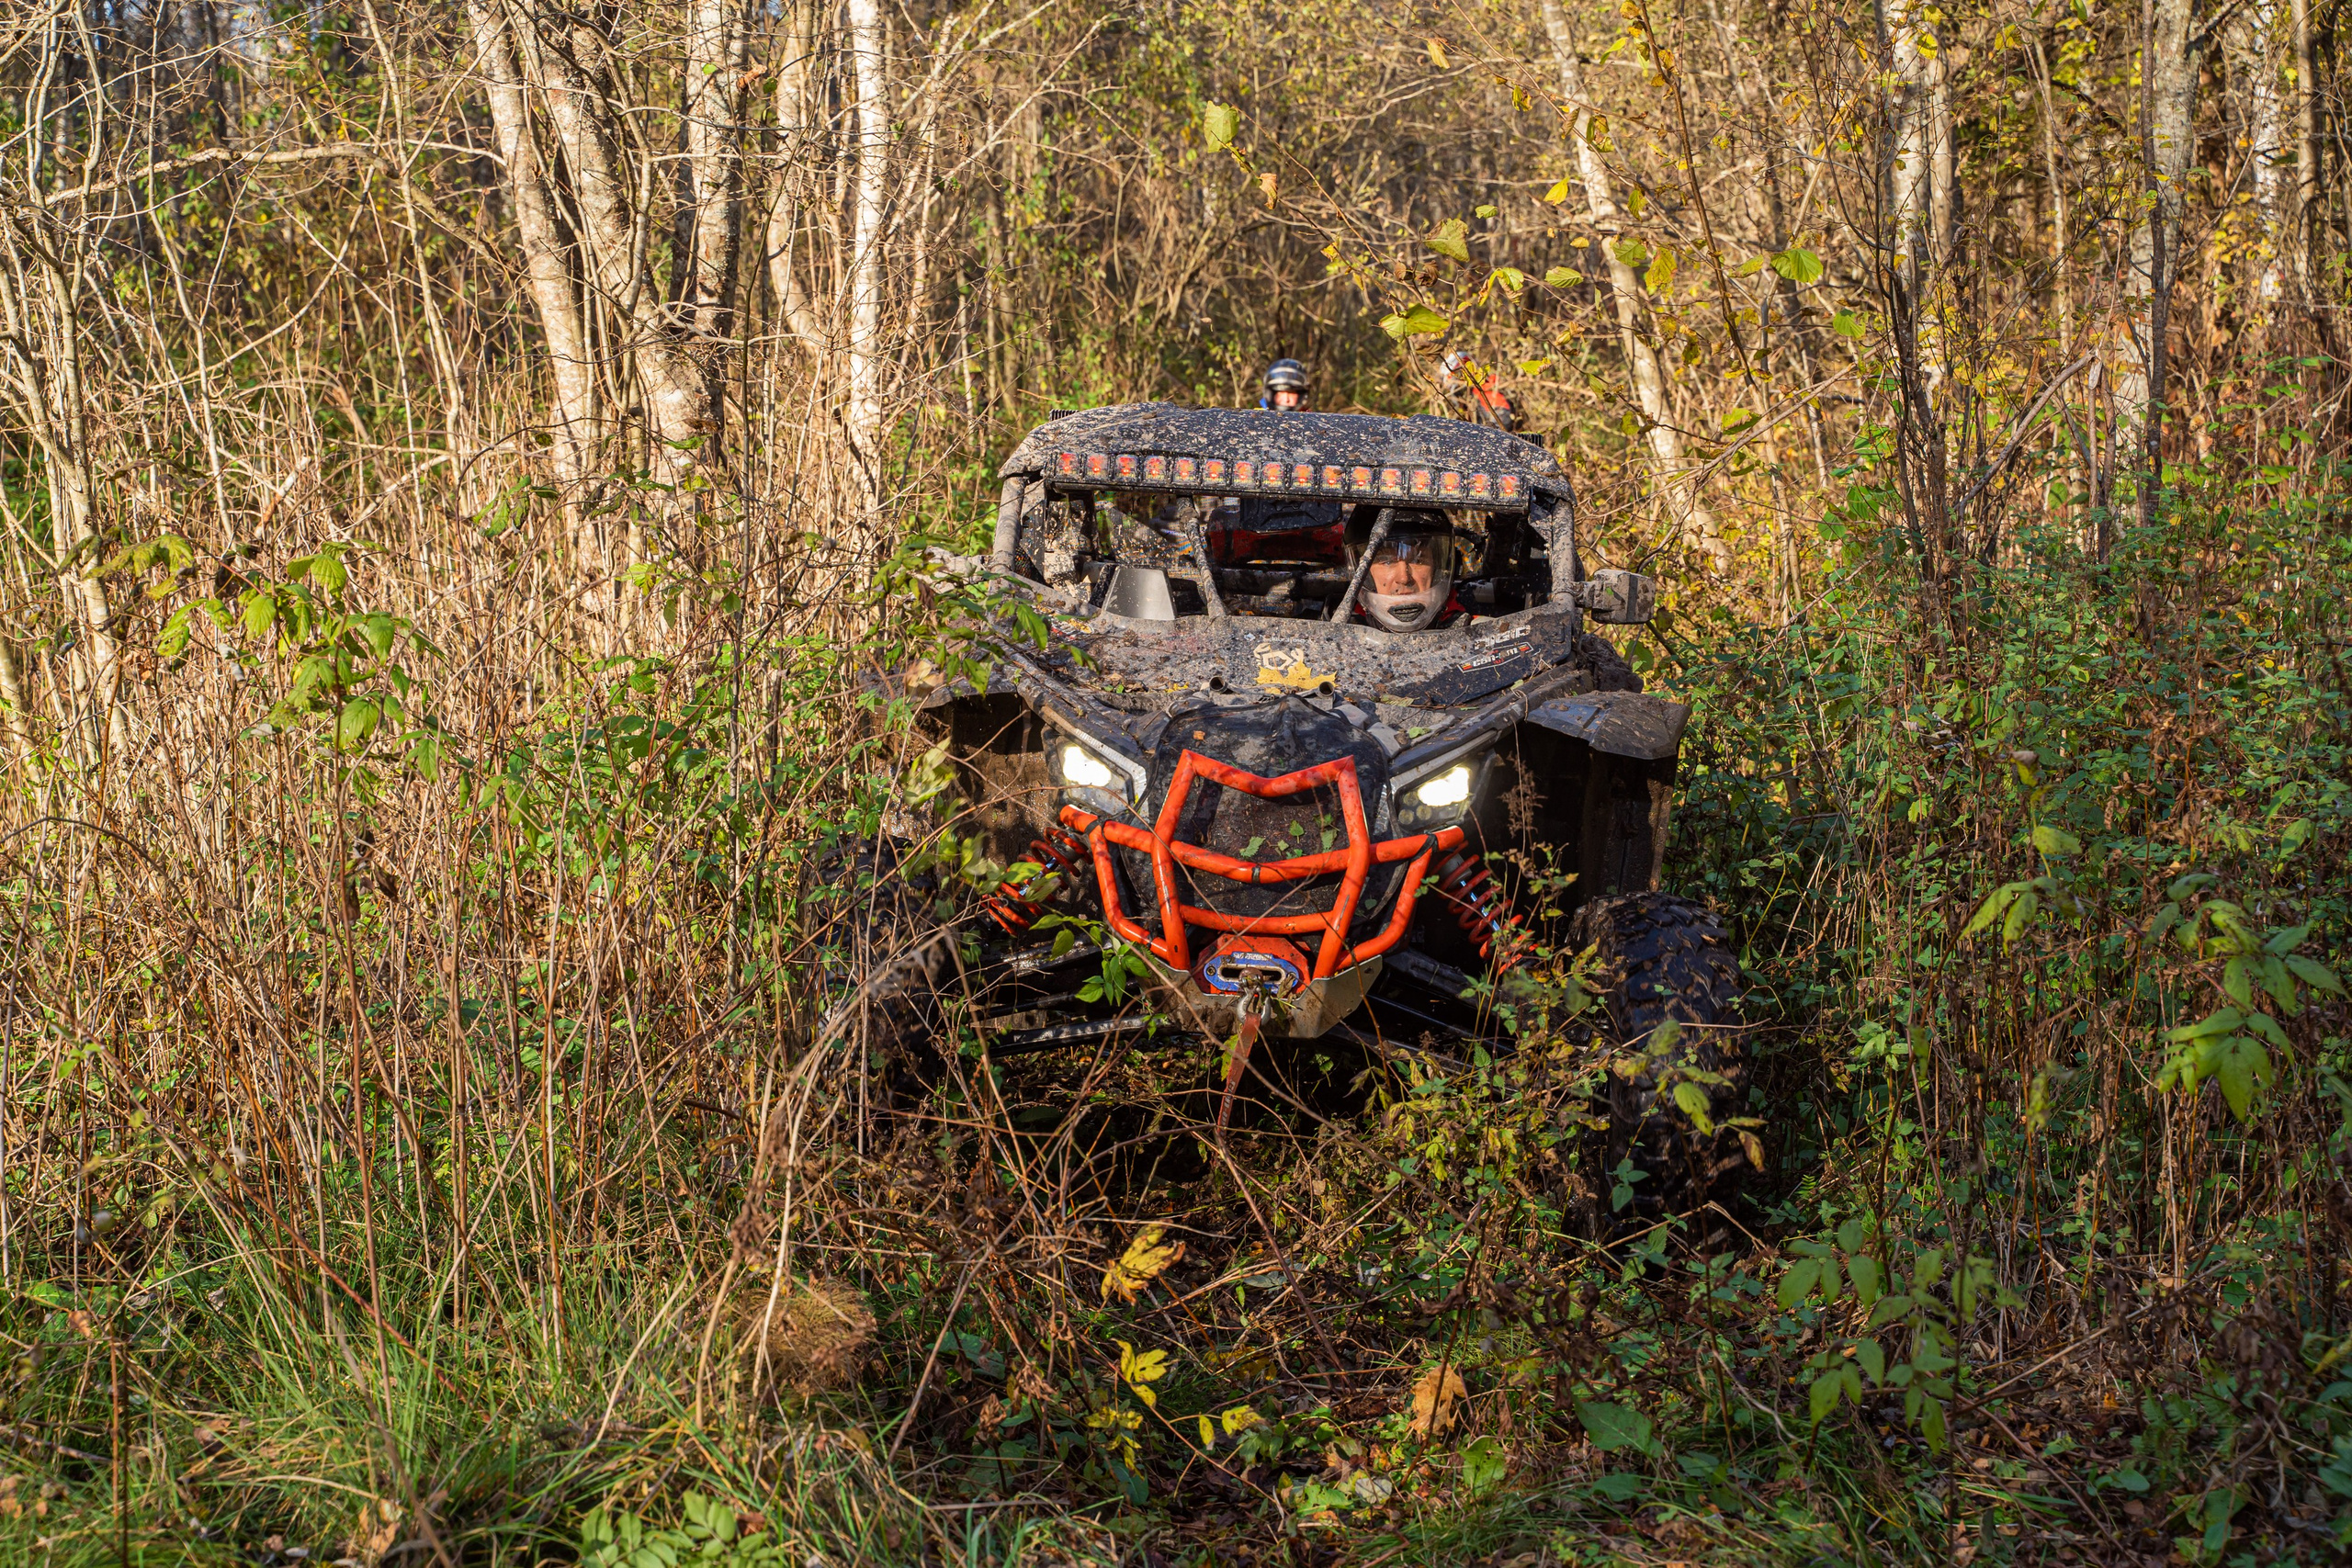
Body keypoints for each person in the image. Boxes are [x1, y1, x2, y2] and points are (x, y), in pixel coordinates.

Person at [1347, 507, 1460, 632]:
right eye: (1388, 562)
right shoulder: (1337, 634)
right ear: (1365, 574)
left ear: (1437, 570)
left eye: (1418, 561)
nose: (1404, 578)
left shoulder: (1473, 634)